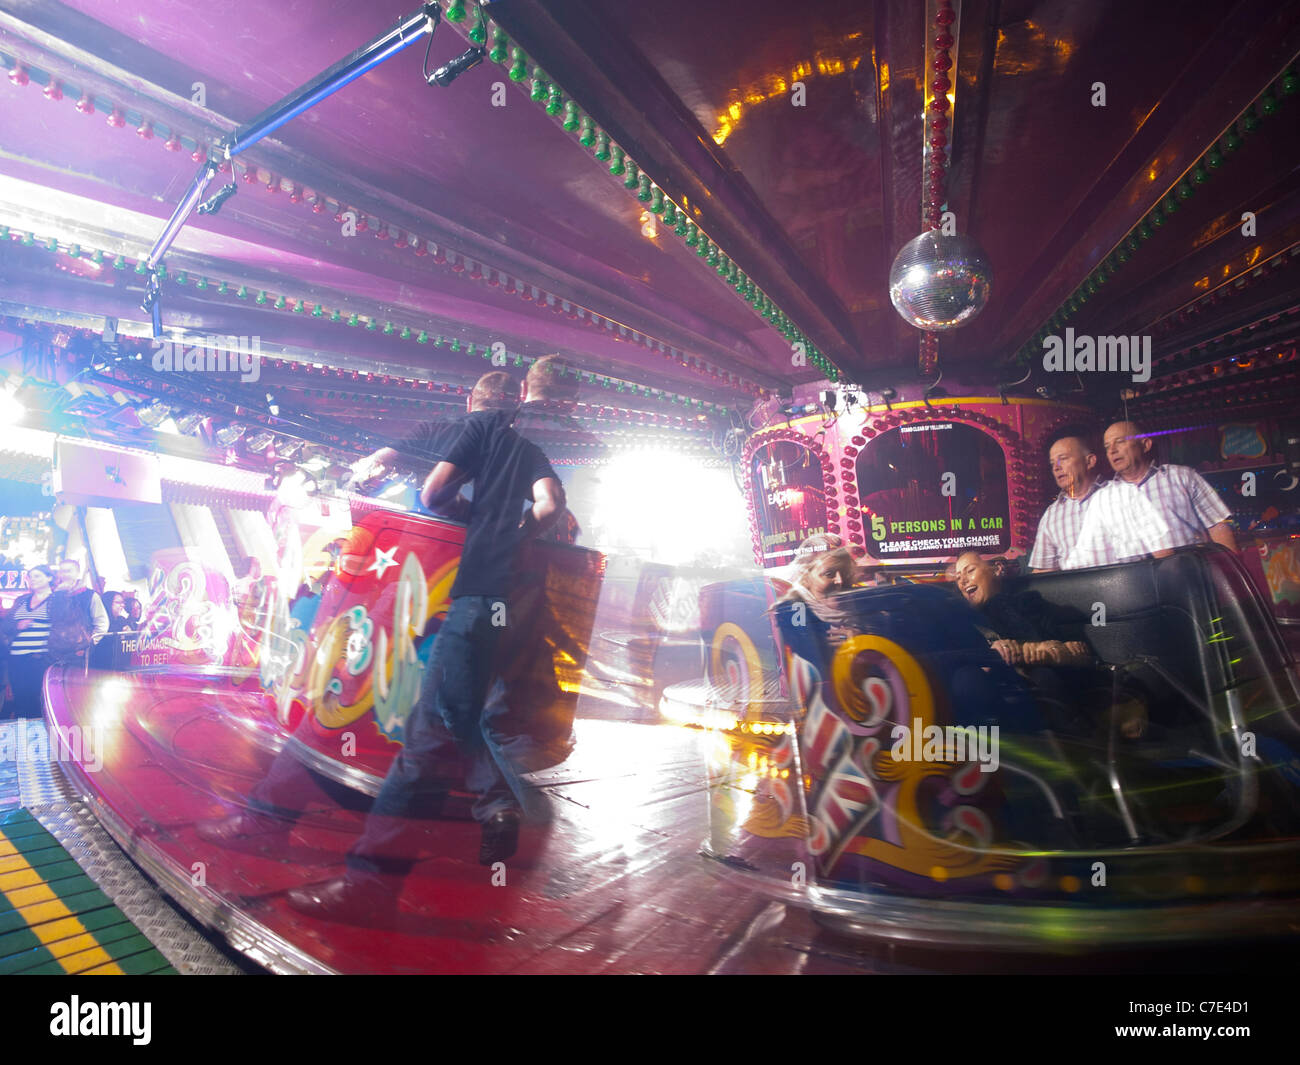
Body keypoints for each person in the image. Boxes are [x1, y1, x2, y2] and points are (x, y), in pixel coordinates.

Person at [202, 366, 571, 922]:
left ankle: (302, 844)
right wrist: (513, 533)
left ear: (471, 397)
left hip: (409, 599)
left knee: (358, 718)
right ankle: (471, 817)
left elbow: (398, 476)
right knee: (437, 729)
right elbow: (552, 510)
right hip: (476, 609)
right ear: (517, 401)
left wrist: (397, 485)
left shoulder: (458, 431)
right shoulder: (527, 451)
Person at [1102, 419, 1237, 551]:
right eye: (1107, 446)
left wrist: (1230, 570)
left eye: (1120, 442)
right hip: (1134, 572)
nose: (1112, 450)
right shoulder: (1105, 497)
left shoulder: (1182, 477)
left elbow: (1218, 524)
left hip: (1191, 569)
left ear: (1145, 445)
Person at [1029, 427, 1106, 572]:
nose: (1056, 468)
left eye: (1063, 459)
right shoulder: (1052, 515)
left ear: (1089, 461)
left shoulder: (1119, 494)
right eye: (1052, 463)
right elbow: (1043, 572)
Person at [1, 565, 56, 719]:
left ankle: (38, 737)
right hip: (16, 658)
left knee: (38, 701)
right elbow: (6, 624)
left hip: (39, 658)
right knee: (20, 700)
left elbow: (63, 625)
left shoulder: (56, 600)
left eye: (37, 576)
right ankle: (23, 737)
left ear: (49, 578)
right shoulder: (22, 600)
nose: (32, 580)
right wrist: (17, 626)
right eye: (30, 576)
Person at [48, 558, 108, 665]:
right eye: (62, 571)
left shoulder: (89, 595)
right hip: (56, 648)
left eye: (68, 571)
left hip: (79, 651)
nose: (64, 574)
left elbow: (101, 621)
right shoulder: (54, 594)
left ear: (77, 573)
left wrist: (91, 642)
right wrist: (58, 595)